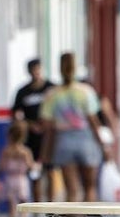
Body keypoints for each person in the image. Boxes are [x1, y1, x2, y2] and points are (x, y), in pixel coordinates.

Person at [39, 52, 109, 202]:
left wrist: (46, 153)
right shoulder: (86, 91)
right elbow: (93, 121)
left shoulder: (52, 94)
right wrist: (103, 145)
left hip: (63, 142)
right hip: (86, 141)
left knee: (71, 191)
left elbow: (47, 126)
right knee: (89, 188)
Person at [10, 58, 55, 202]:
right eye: (33, 70)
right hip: (31, 138)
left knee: (51, 171)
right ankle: (38, 208)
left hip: (48, 136)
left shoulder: (51, 88)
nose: (36, 73)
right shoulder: (23, 92)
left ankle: (53, 206)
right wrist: (29, 125)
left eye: (38, 69)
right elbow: (16, 114)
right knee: (35, 173)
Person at [0, 119, 36, 217]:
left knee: (12, 207)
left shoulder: (6, 151)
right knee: (23, 203)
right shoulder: (25, 151)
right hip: (21, 179)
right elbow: (30, 166)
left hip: (9, 179)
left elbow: (2, 166)